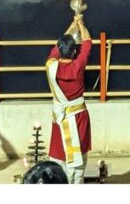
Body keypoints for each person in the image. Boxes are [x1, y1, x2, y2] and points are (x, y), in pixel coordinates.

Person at [45, 15, 92, 183]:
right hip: (78, 117)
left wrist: (71, 26)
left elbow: (57, 47)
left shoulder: (51, 66)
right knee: (79, 156)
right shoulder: (77, 67)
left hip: (60, 117)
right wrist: (80, 24)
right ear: (74, 52)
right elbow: (87, 42)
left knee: (59, 154)